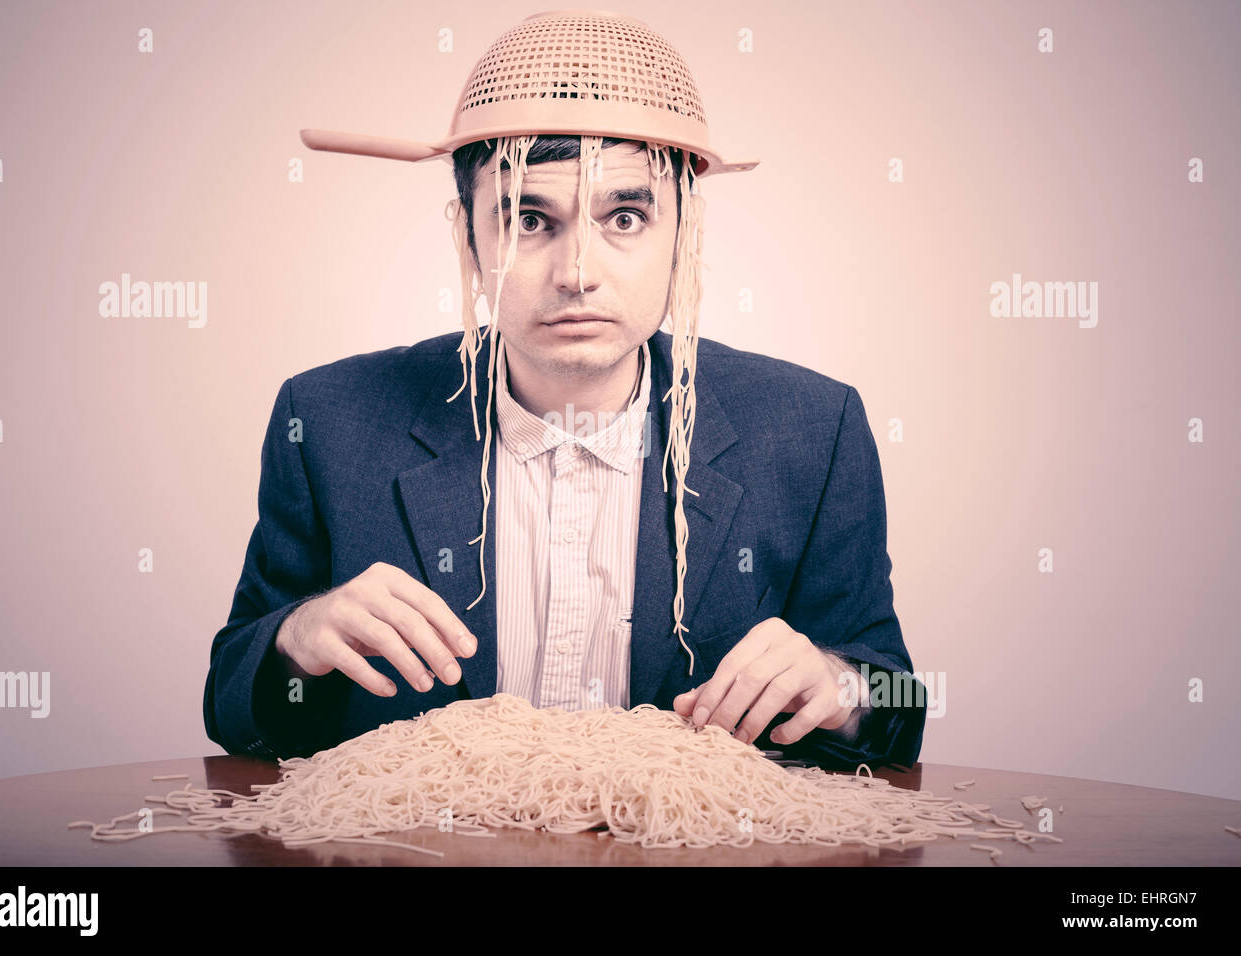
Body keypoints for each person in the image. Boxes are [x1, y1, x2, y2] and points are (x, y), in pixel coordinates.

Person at [203, 10, 927, 770]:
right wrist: (295, 639)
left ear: (683, 231)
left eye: (625, 216)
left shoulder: (813, 429)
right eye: (527, 219)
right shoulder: (328, 421)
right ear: (469, 236)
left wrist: (843, 688)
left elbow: (905, 705)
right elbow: (229, 700)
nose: (577, 271)